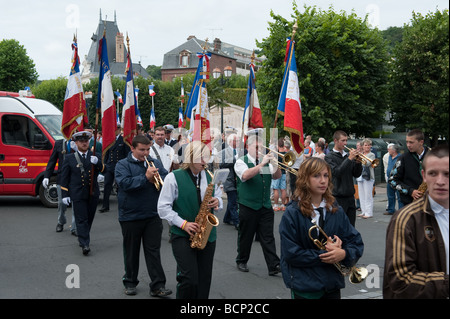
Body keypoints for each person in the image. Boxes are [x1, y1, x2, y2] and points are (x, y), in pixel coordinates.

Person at [279, 157, 364, 299]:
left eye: (326, 175)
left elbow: (356, 241)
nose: (323, 180)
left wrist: (343, 254)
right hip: (305, 285)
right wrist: (326, 255)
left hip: (331, 285)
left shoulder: (335, 209)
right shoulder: (292, 213)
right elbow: (290, 253)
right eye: (316, 176)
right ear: (305, 179)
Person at [157, 141, 223, 299]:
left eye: (206, 157)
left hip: (207, 234)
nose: (204, 162)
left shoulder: (211, 176)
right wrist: (183, 224)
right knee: (189, 278)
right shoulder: (174, 177)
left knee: (204, 278)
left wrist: (217, 202)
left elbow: (219, 199)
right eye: (201, 158)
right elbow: (163, 208)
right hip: (182, 234)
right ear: (190, 158)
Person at [383, 144, 449, 299]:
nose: (440, 181)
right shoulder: (406, 219)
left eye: (447, 174)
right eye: (433, 173)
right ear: (424, 176)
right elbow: (401, 279)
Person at [114, 135, 172, 297]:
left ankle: (158, 285)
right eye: (141, 150)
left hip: (152, 214)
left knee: (153, 251)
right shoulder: (122, 164)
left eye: (148, 149)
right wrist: (145, 177)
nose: (145, 153)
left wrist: (166, 180)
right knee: (131, 251)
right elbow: (124, 184)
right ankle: (130, 282)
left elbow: (166, 180)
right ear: (132, 148)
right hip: (130, 216)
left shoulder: (156, 163)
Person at [234, 133, 282, 275]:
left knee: (268, 237)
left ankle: (274, 265)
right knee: (246, 236)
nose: (259, 150)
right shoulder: (241, 162)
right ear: (248, 147)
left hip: (265, 205)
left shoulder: (265, 162)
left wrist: (275, 164)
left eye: (261, 147)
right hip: (248, 206)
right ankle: (241, 260)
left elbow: (277, 176)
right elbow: (246, 175)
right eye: (256, 147)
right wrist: (262, 163)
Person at [60, 131, 105, 255]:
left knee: (89, 218)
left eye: (86, 141)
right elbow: (64, 178)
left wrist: (98, 163)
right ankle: (85, 243)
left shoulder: (94, 155)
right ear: (76, 143)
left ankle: (83, 236)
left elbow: (104, 170)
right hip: (78, 193)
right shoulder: (69, 158)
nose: (84, 143)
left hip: (93, 192)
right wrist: (64, 194)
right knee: (81, 219)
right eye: (81, 141)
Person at [325, 130, 363, 226]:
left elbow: (356, 174)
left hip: (350, 196)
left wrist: (358, 163)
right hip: (337, 197)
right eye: (343, 140)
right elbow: (337, 172)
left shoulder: (347, 156)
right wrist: (349, 159)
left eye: (346, 140)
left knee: (351, 227)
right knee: (338, 226)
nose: (345, 143)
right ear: (335, 141)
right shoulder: (329, 157)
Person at [43, 138, 77, 235]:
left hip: (75, 178)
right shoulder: (59, 143)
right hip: (62, 178)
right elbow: (52, 161)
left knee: (76, 204)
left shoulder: (79, 142)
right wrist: (47, 176)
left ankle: (74, 227)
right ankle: (61, 221)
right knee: (61, 204)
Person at [389, 129, 430, 206]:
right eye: (407, 142)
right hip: (409, 203)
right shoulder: (403, 158)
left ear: (421, 142)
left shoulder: (433, 155)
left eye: (411, 142)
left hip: (431, 202)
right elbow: (392, 180)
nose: (408, 145)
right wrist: (410, 191)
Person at [99, 124, 130, 213]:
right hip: (110, 166)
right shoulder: (109, 140)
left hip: (120, 167)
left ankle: (123, 206)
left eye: (116, 129)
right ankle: (105, 206)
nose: (115, 131)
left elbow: (127, 154)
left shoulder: (123, 140)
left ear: (120, 130)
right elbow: (106, 154)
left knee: (121, 187)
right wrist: (105, 164)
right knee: (107, 186)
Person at [218, 133, 239, 228]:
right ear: (231, 142)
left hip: (237, 180)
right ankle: (237, 222)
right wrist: (234, 158)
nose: (238, 142)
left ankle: (227, 218)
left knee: (233, 200)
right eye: (236, 140)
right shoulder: (224, 152)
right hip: (229, 180)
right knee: (233, 202)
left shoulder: (239, 151)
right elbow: (222, 163)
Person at [356, 138, 375, 219]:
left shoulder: (372, 154)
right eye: (366, 145)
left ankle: (369, 212)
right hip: (360, 176)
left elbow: (366, 164)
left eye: (369, 145)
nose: (367, 146)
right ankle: (363, 211)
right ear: (362, 146)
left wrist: (359, 158)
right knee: (361, 195)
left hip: (368, 176)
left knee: (368, 195)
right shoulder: (360, 154)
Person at [383, 143, 402, 215]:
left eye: (389, 149)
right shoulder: (390, 157)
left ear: (394, 150)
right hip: (390, 179)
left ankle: (400, 211)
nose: (388, 150)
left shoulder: (400, 157)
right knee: (390, 195)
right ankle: (391, 210)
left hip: (397, 179)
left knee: (399, 196)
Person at [272, 137, 288, 211]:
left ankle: (275, 205)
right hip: (284, 173)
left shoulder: (276, 154)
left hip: (276, 173)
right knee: (283, 189)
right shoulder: (287, 154)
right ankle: (283, 205)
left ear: (278, 145)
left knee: (275, 189)